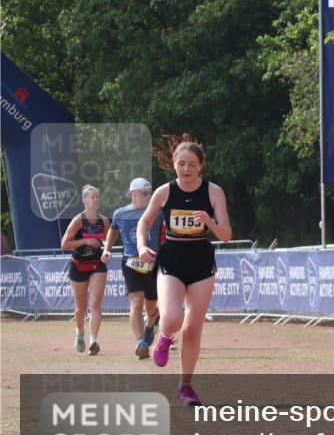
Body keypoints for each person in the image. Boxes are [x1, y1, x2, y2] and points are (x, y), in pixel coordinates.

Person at [138, 137, 232, 406]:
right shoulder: (164, 192)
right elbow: (144, 222)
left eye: (191, 164)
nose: (186, 169)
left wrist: (210, 222)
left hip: (201, 261)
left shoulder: (214, 192)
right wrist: (142, 245)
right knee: (172, 318)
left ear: (200, 165)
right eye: (181, 164)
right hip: (172, 258)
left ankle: (185, 386)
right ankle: (164, 336)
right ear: (174, 164)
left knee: (192, 328)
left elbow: (226, 235)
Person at [102, 178, 163, 360]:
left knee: (151, 307)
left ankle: (150, 324)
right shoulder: (121, 213)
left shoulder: (157, 212)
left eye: (150, 192)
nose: (149, 196)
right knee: (136, 302)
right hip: (130, 262)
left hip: (153, 262)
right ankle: (140, 342)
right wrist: (107, 249)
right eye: (145, 193)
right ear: (133, 194)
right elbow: (113, 231)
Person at [60, 184, 110, 355]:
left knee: (95, 303)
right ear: (84, 200)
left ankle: (93, 341)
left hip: (97, 265)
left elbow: (106, 239)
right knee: (81, 308)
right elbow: (64, 244)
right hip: (79, 266)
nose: (95, 200)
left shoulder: (104, 220)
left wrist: (106, 249)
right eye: (92, 197)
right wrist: (85, 241)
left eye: (97, 197)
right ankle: (79, 333)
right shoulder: (78, 220)